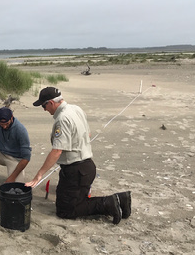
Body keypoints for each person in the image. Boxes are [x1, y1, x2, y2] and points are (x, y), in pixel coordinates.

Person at [25, 87, 131, 225]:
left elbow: (57, 151)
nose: (44, 109)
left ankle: (109, 203)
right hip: (86, 167)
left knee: (65, 211)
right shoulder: (76, 109)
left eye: (44, 106)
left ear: (51, 103)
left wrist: (39, 175)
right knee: (66, 201)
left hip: (76, 171)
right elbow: (88, 134)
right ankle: (123, 199)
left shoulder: (62, 119)